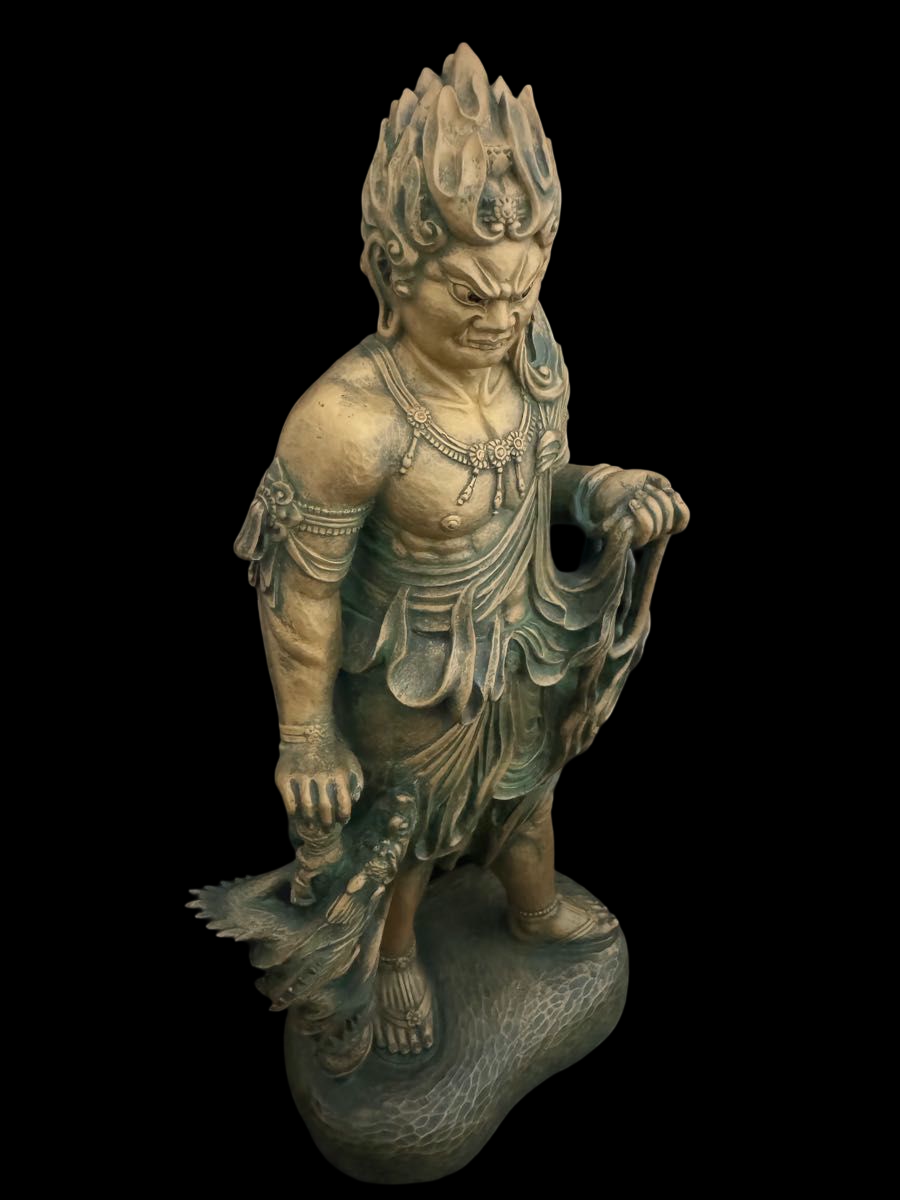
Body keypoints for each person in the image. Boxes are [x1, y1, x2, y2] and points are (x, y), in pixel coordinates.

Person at [232, 43, 689, 1073]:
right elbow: (296, 587)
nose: (501, 320)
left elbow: (541, 482)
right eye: (472, 297)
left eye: (521, 293)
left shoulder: (531, 354)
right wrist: (306, 738)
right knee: (408, 829)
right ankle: (396, 954)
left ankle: (532, 908)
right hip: (409, 667)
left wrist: (602, 490)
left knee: (527, 792)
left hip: (524, 636)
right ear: (394, 273)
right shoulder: (348, 419)